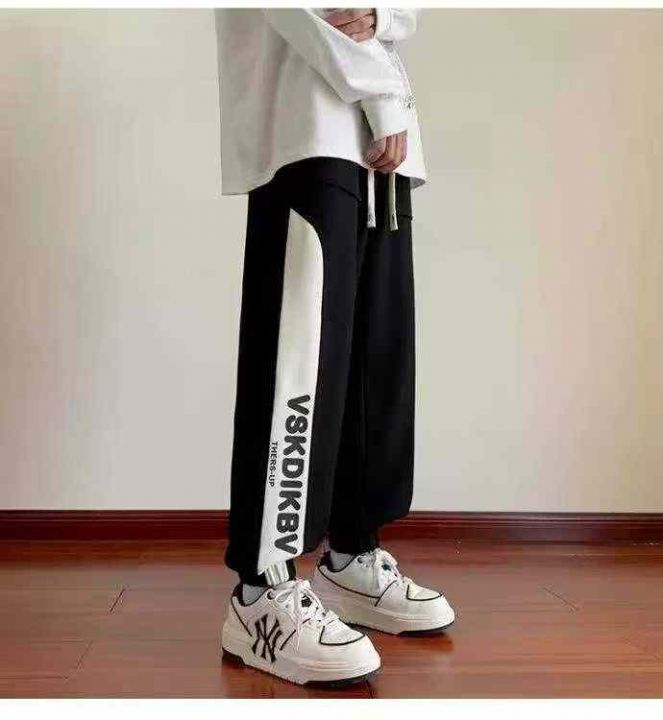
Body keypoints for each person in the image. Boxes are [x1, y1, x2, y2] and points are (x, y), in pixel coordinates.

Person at [214, 8, 455, 687]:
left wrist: (386, 17)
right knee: (298, 358)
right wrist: (381, 96)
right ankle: (260, 595)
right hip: (308, 121)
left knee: (376, 357)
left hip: (377, 142)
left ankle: (351, 558)